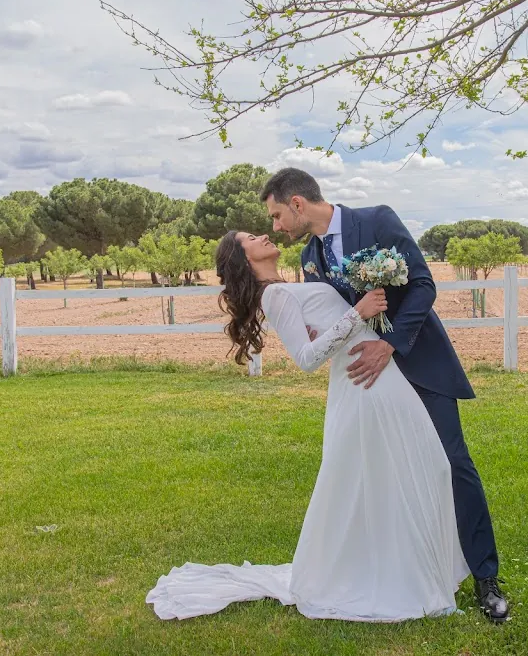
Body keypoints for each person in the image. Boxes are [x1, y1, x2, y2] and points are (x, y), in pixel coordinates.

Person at [145, 230, 470, 622]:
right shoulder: (275, 294)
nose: (264, 234)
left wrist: (355, 315)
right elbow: (306, 358)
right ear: (243, 257)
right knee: (408, 467)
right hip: (364, 380)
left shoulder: (286, 286)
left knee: (416, 465)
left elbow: (324, 332)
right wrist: (359, 312)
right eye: (252, 238)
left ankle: (409, 567)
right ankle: (401, 576)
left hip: (374, 370)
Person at [260, 167, 509, 623]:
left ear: (297, 203)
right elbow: (337, 316)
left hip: (417, 362)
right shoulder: (310, 257)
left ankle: (485, 576)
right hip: (370, 384)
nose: (276, 227)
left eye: (277, 215)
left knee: (452, 462)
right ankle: (412, 569)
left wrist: (390, 345)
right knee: (389, 472)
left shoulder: (376, 220)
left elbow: (423, 285)